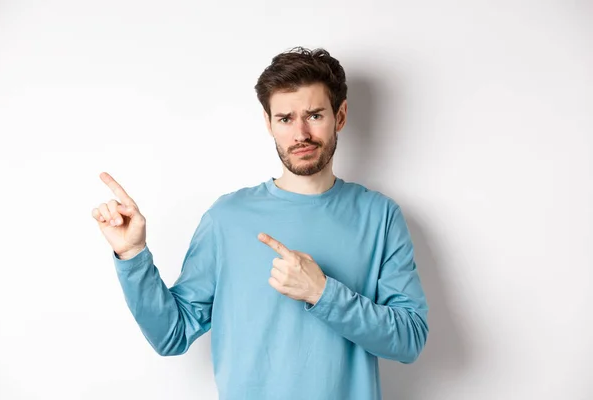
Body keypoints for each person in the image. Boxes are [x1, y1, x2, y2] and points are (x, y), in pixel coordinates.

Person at [92, 46, 429, 400]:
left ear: (340, 116)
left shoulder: (380, 216)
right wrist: (132, 255)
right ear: (268, 123)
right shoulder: (227, 218)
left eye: (314, 115)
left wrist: (322, 293)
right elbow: (171, 335)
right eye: (285, 119)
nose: (300, 133)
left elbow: (410, 340)